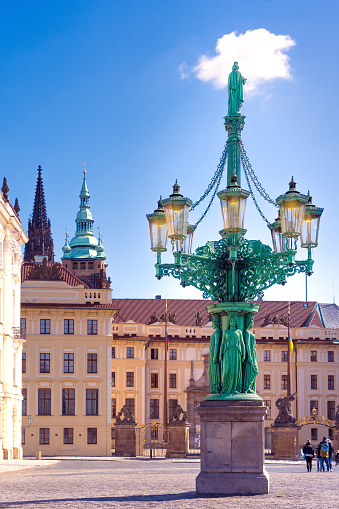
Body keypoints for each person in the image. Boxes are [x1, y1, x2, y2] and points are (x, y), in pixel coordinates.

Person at [219, 315, 245, 394]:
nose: (232, 323)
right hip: (227, 352)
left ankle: (235, 388)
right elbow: (222, 344)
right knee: (226, 370)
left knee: (235, 371)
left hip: (236, 352)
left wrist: (243, 355)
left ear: (236, 322)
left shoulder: (239, 332)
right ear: (229, 322)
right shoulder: (226, 332)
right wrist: (220, 354)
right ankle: (225, 387)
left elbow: (242, 344)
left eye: (234, 321)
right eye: (231, 321)